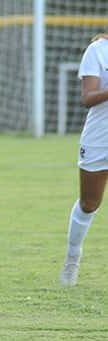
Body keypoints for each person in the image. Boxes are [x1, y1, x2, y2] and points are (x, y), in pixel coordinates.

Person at [60, 33, 108, 286]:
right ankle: (72, 257)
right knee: (90, 203)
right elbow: (88, 98)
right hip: (100, 138)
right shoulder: (97, 50)